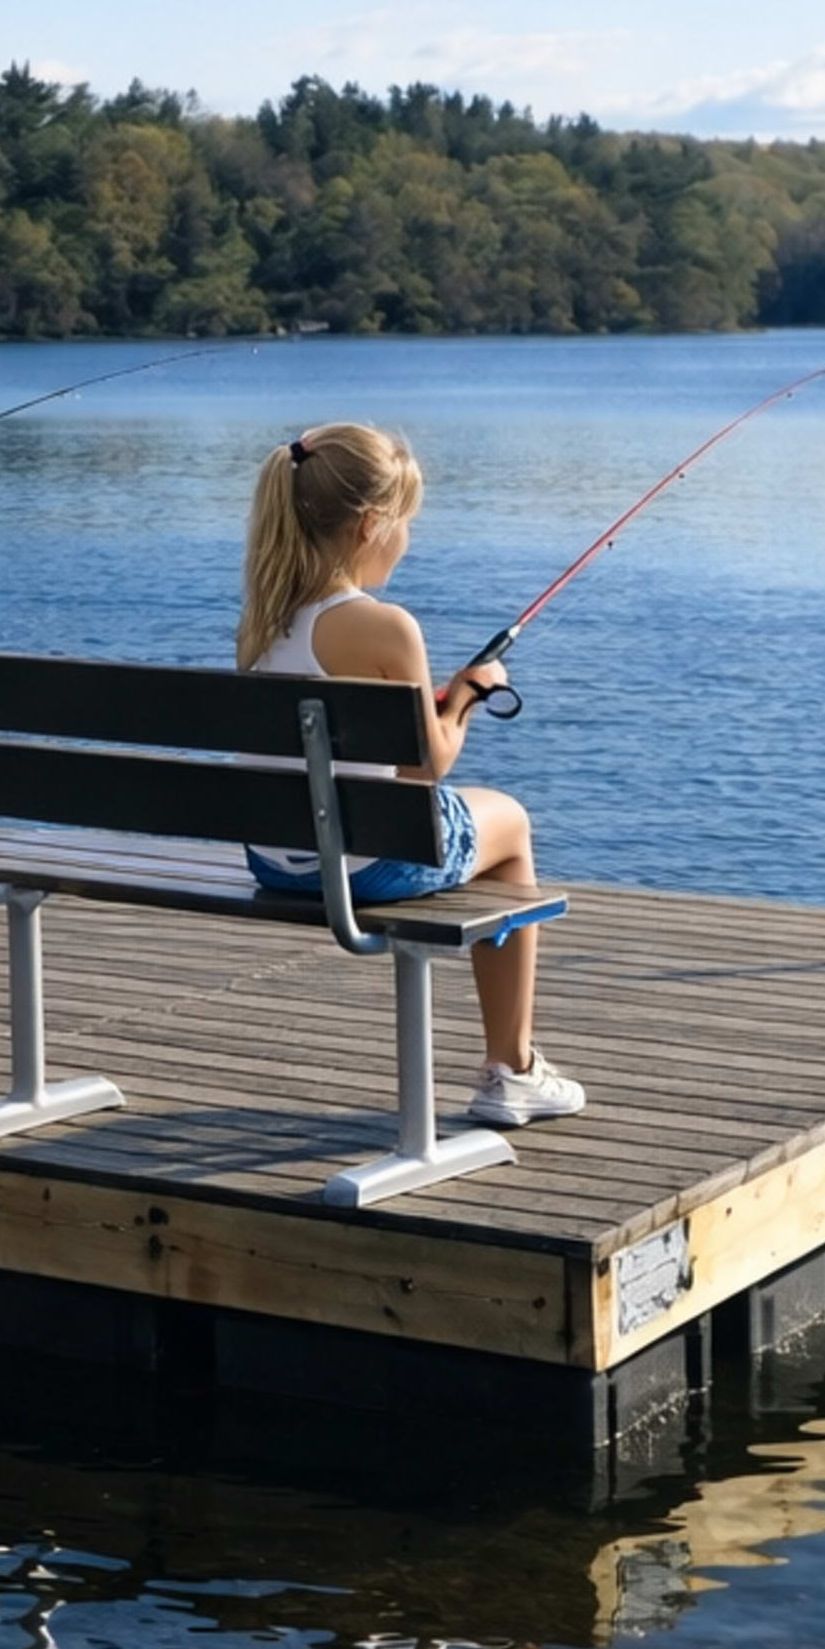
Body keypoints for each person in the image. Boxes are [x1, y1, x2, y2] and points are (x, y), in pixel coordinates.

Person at [237, 422, 580, 1126]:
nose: (408, 540)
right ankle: (510, 1067)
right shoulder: (387, 627)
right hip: (361, 862)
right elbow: (424, 770)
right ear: (369, 526)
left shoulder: (264, 617)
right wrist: (469, 700)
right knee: (509, 822)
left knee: (452, 816)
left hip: (275, 856)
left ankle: (511, 1066)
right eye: (407, 524)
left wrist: (440, 704)